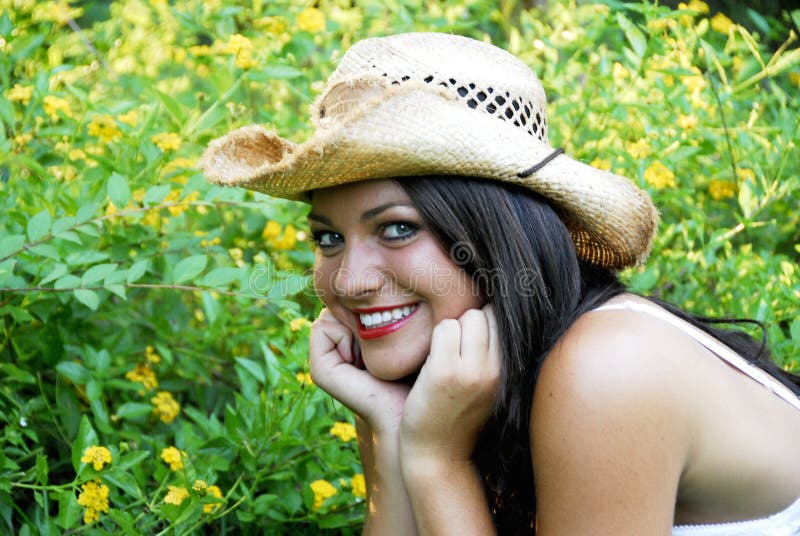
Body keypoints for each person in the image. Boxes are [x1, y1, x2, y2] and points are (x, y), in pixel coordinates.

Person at [200, 32, 800, 535]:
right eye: (329, 239)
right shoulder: (453, 381)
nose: (349, 282)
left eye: (399, 228)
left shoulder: (605, 369)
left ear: (497, 234)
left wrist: (435, 461)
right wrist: (389, 431)